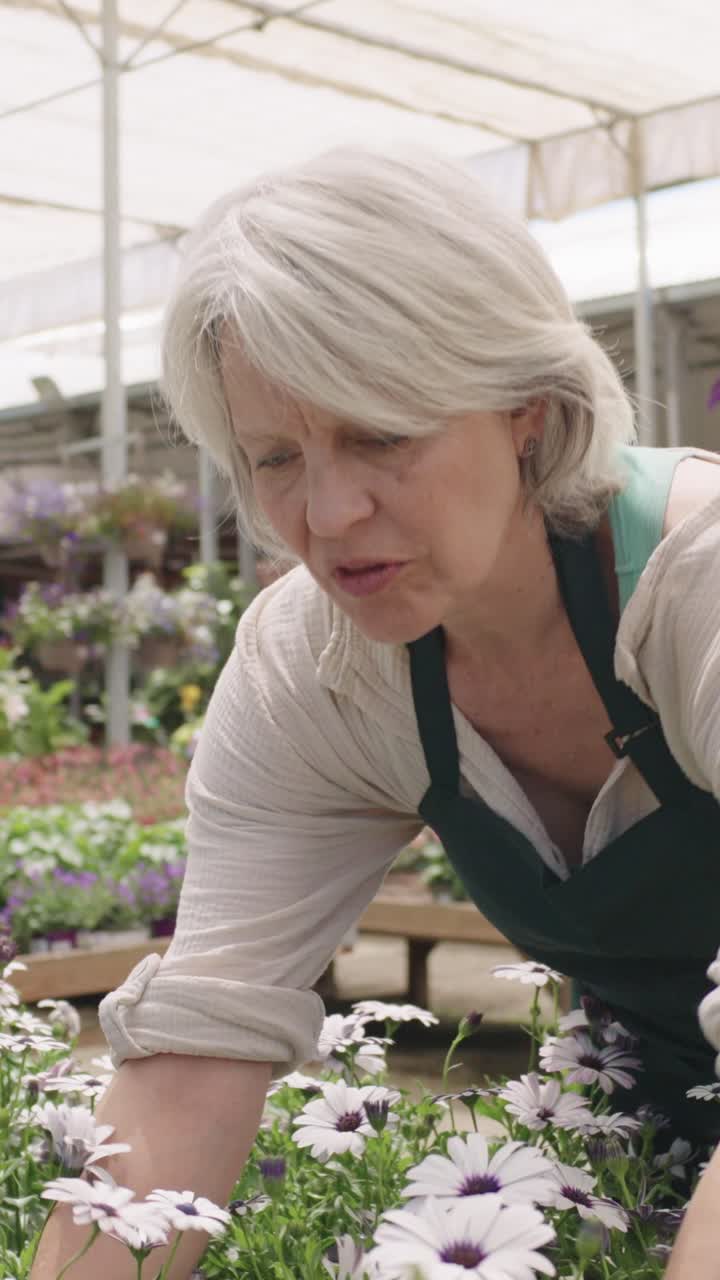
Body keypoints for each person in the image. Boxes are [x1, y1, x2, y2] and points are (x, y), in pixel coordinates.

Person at [31, 145, 720, 1279]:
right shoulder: (317, 670)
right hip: (644, 1127)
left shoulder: (693, 585)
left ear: (526, 412)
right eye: (275, 457)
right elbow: (195, 1054)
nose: (330, 511)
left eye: (380, 433)